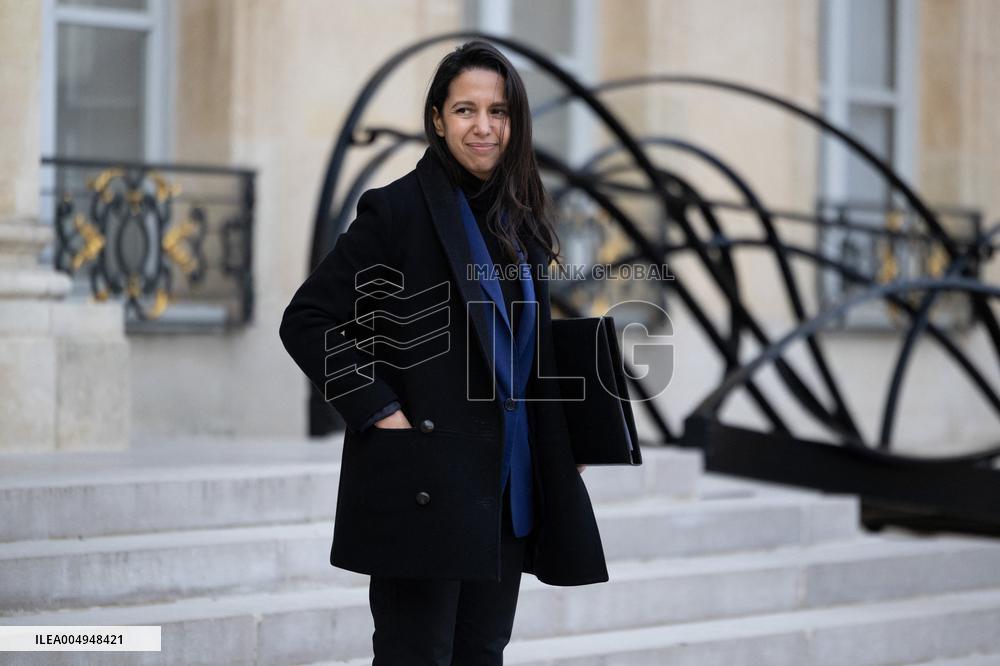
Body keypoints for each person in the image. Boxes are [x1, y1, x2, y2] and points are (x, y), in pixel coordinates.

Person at [279, 40, 607, 666]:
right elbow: (307, 319)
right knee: (417, 655)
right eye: (465, 110)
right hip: (424, 483)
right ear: (437, 119)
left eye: (498, 111)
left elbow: (526, 348)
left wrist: (565, 437)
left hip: (505, 489)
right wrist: (380, 413)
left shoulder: (521, 218)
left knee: (482, 651)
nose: (483, 127)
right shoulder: (396, 210)